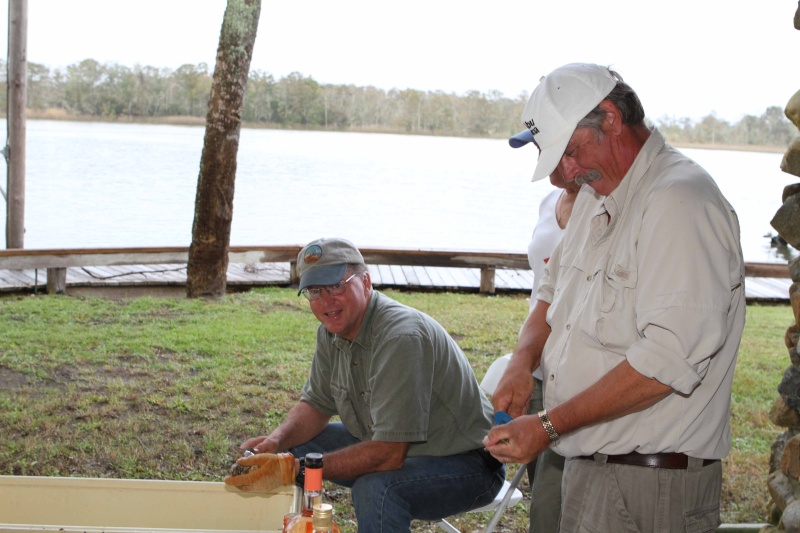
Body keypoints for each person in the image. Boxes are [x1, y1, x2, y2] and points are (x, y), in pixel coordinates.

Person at [483, 63, 745, 532]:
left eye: (571, 152)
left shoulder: (679, 200)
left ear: (610, 117)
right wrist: (523, 362)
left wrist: (547, 425)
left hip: (650, 485)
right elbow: (551, 289)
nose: (564, 175)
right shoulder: (596, 194)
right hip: (592, 466)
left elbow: (668, 359)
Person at [230, 237, 504, 532]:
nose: (326, 301)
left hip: (467, 465)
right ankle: (304, 525)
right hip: (394, 444)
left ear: (366, 282)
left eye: (336, 286)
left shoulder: (400, 337)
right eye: (315, 291)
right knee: (295, 445)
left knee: (376, 489)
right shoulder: (331, 331)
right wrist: (275, 442)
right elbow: (316, 404)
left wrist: (295, 469)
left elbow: (388, 454)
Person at [508, 128, 583, 533]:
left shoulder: (608, 206)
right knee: (545, 505)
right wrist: (523, 362)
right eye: (539, 148)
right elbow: (543, 290)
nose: (546, 159)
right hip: (540, 368)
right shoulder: (548, 201)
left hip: (583, 377)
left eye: (553, 148)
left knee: (570, 503)